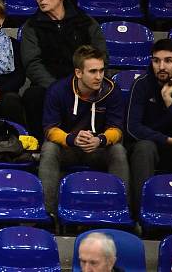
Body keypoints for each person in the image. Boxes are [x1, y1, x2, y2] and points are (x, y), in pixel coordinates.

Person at [39, 45, 129, 215]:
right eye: (93, 71)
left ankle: (121, 211)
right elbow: (50, 129)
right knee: (49, 148)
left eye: (102, 71)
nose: (99, 76)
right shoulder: (58, 90)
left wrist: (100, 140)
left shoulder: (112, 90)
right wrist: (72, 139)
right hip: (69, 148)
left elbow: (117, 130)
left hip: (98, 148)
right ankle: (46, 212)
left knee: (118, 150)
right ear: (79, 73)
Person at [20, 0, 106, 140]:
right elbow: (32, 64)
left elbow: (101, 55)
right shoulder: (31, 26)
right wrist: (58, 88)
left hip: (84, 82)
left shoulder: (85, 22)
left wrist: (81, 84)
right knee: (33, 95)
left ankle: (95, 140)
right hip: (49, 85)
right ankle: (40, 145)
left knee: (107, 89)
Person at [126, 38, 172, 215]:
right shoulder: (141, 85)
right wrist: (168, 140)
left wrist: (169, 100)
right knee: (145, 148)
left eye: (168, 61)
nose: (161, 66)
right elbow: (133, 127)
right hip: (148, 148)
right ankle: (141, 215)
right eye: (156, 60)